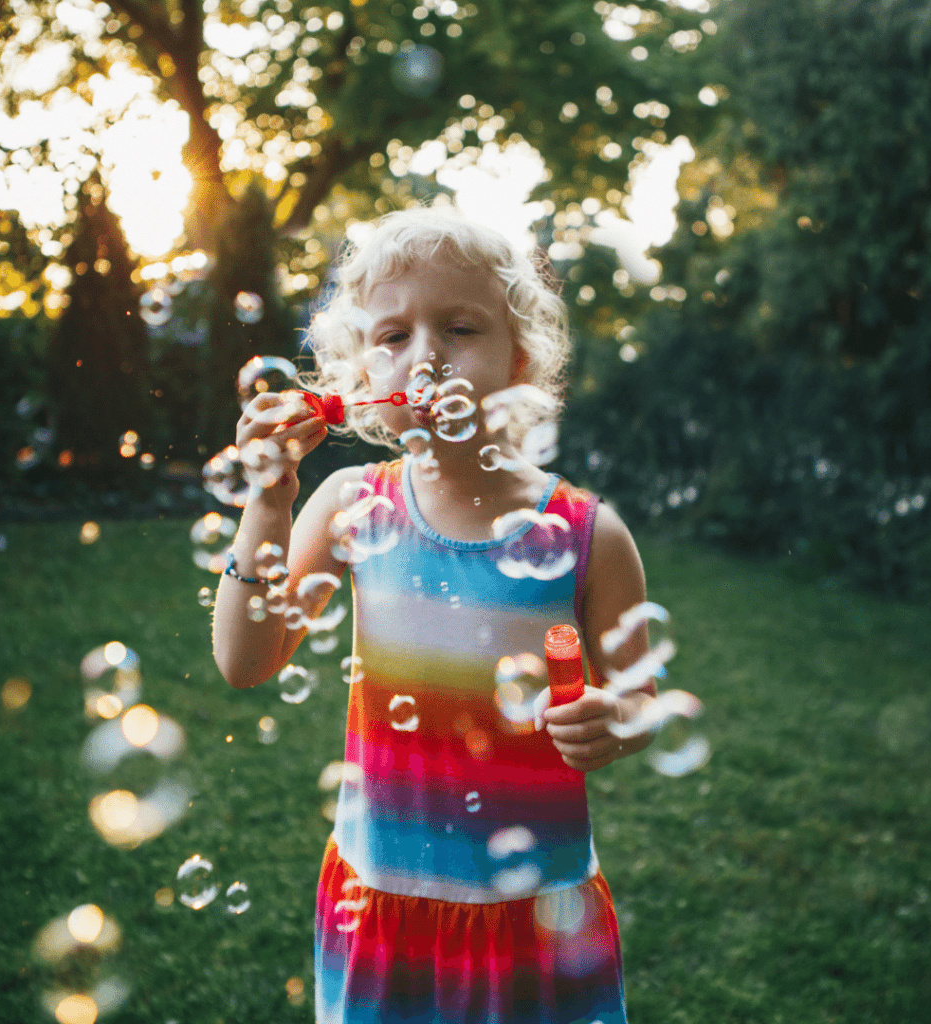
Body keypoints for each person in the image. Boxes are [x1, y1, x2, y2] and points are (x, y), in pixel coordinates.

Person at [212, 207, 658, 1024]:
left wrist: (620, 721)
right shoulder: (351, 505)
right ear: (356, 377)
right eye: (392, 336)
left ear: (521, 359)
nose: (424, 356)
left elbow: (641, 699)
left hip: (540, 916)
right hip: (384, 907)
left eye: (459, 327)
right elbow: (246, 660)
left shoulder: (589, 533)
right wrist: (268, 503)